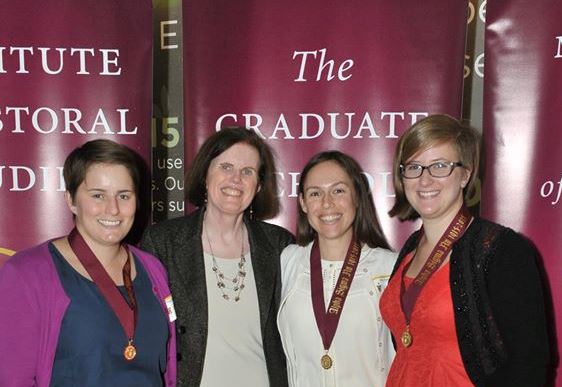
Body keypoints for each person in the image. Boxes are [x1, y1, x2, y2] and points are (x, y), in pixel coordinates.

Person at [380, 114, 550, 386]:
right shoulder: (410, 250)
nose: (425, 180)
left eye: (439, 166)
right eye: (414, 167)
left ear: (465, 174)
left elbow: (530, 363)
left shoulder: (501, 250)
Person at [0, 139, 177, 387]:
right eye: (98, 195)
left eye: (124, 195)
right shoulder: (27, 274)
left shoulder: (152, 269)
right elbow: (12, 379)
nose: (113, 209)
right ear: (71, 200)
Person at [141, 127, 294, 387]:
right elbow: (145, 334)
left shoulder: (279, 245)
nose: (236, 179)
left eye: (247, 172)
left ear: (257, 186)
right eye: (226, 167)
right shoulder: (162, 243)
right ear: (205, 175)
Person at [277, 151, 397, 387]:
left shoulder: (390, 266)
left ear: (357, 197)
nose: (327, 203)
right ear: (302, 203)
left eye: (338, 190)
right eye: (315, 193)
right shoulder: (287, 261)